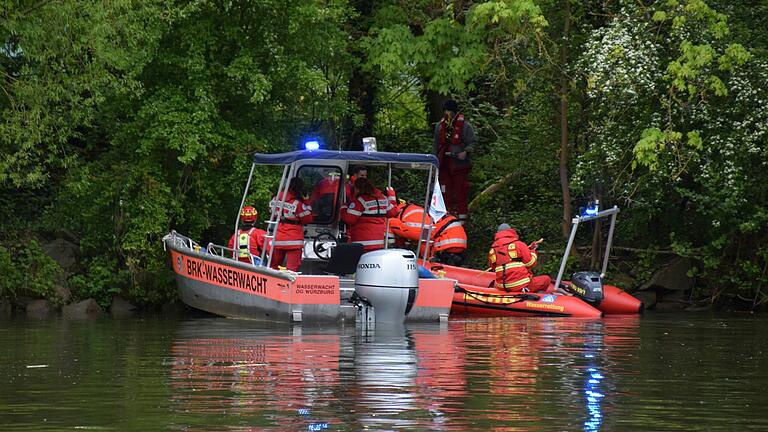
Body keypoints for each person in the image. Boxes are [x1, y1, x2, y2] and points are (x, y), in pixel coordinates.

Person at [433, 99, 476, 226]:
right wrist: (434, 162)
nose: (447, 114)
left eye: (449, 111)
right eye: (445, 111)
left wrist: (466, 152)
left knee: (460, 192)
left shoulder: (465, 126)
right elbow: (435, 146)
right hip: (444, 165)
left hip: (459, 166)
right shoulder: (440, 126)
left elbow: (473, 142)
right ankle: (446, 219)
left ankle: (462, 222)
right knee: (445, 192)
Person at [487, 223, 552, 293]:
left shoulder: (493, 249)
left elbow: (494, 268)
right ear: (510, 231)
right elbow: (530, 263)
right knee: (546, 279)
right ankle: (535, 299)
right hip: (519, 285)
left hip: (501, 287)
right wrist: (533, 251)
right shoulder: (519, 244)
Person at [341, 177, 398, 251]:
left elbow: (349, 219)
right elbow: (392, 212)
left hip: (362, 243)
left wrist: (343, 207)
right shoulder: (383, 198)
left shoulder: (360, 201)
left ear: (358, 188)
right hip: (379, 242)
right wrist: (391, 197)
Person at [269, 177, 313, 271]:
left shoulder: (275, 200)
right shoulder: (298, 204)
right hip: (294, 239)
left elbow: (270, 211)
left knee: (274, 268)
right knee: (291, 270)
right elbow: (308, 218)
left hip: (278, 237)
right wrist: (307, 201)